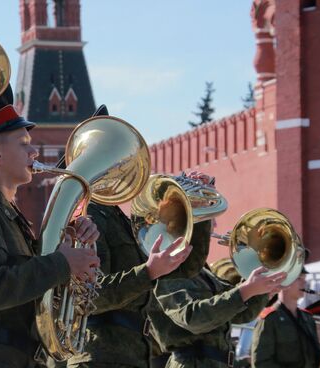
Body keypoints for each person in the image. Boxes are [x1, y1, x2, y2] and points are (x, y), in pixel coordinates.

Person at [0, 84, 101, 368]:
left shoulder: (9, 214)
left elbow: (32, 287)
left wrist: (69, 245)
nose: (34, 151)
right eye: (23, 143)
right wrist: (62, 263)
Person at [63, 105, 192, 368]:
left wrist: (191, 211)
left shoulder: (119, 218)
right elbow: (91, 296)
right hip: (98, 357)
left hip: (131, 355)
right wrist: (148, 273)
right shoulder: (88, 217)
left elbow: (184, 268)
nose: (123, 166)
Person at [145, 173, 287, 368]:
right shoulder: (168, 268)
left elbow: (239, 315)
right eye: (209, 218)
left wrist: (259, 292)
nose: (216, 225)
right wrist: (245, 291)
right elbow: (193, 318)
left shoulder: (203, 273)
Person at [250, 271, 320, 367]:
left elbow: (316, 361)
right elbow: (260, 363)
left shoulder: (308, 318)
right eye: (299, 278)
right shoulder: (270, 318)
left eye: (304, 278)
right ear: (284, 282)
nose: (304, 282)